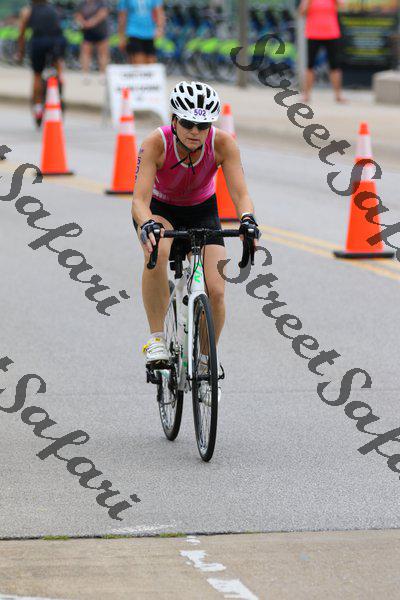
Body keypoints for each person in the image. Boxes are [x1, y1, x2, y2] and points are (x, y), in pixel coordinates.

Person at [131, 81, 260, 381]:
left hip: (201, 210)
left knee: (216, 290)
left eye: (203, 125)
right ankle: (157, 340)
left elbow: (241, 194)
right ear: (174, 120)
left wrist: (247, 219)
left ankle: (204, 359)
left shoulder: (223, 144)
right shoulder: (156, 143)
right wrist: (147, 223)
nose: (195, 131)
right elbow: (139, 200)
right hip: (160, 210)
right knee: (157, 252)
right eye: (188, 123)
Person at [17, 0, 66, 125]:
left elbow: (21, 34)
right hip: (56, 42)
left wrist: (20, 53)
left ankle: (38, 108)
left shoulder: (27, 11)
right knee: (58, 65)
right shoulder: (54, 9)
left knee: (37, 75)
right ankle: (60, 87)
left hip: (38, 43)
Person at [299, 0, 346, 103]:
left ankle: (338, 95)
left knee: (335, 65)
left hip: (332, 33)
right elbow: (302, 13)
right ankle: (306, 95)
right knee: (310, 65)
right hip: (313, 34)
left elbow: (343, 7)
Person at [118, 0, 165, 65]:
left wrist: (159, 28)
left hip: (150, 32)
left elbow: (159, 12)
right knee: (138, 63)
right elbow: (122, 16)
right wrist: (122, 37)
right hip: (133, 32)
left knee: (151, 62)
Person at [75, 0, 109, 79]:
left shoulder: (101, 3)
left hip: (100, 31)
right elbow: (77, 15)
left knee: (103, 53)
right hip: (87, 32)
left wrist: (92, 22)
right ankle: (85, 74)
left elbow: (103, 13)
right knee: (85, 52)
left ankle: (102, 73)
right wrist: (83, 23)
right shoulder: (82, 3)